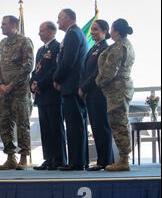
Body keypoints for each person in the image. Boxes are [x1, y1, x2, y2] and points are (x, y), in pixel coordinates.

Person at [0, 16, 34, 170]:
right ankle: (11, 157)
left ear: (13, 25)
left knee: (22, 124)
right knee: (4, 124)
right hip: (4, 92)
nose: (1, 27)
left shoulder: (24, 41)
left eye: (4, 24)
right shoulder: (1, 44)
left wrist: (11, 84)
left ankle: (24, 157)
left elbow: (28, 65)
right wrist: (0, 84)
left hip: (20, 91)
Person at [96, 18, 135, 171]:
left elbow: (110, 71)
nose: (110, 32)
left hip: (117, 91)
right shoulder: (125, 44)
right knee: (120, 123)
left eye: (111, 29)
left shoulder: (119, 47)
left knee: (118, 124)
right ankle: (123, 158)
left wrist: (98, 81)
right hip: (120, 89)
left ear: (116, 31)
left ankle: (124, 160)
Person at [53, 9, 89, 171]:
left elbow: (68, 60)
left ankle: (77, 162)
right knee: (76, 124)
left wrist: (57, 78)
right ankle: (78, 160)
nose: (58, 20)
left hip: (72, 85)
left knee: (75, 125)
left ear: (68, 18)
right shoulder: (74, 33)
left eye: (60, 17)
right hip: (73, 85)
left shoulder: (73, 34)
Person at [31, 22, 67, 170]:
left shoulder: (57, 47)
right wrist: (32, 83)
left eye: (42, 31)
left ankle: (59, 159)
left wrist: (40, 84)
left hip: (53, 94)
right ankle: (49, 158)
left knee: (55, 128)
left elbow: (54, 70)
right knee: (45, 129)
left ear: (52, 31)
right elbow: (36, 70)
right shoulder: (40, 50)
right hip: (41, 96)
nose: (39, 34)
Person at [79, 20, 114, 171]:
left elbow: (98, 72)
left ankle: (105, 161)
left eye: (96, 29)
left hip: (98, 93)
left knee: (102, 127)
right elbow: (85, 70)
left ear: (105, 31)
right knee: (96, 127)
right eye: (92, 29)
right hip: (90, 94)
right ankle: (103, 160)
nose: (92, 32)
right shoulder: (94, 47)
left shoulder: (105, 49)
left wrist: (84, 87)